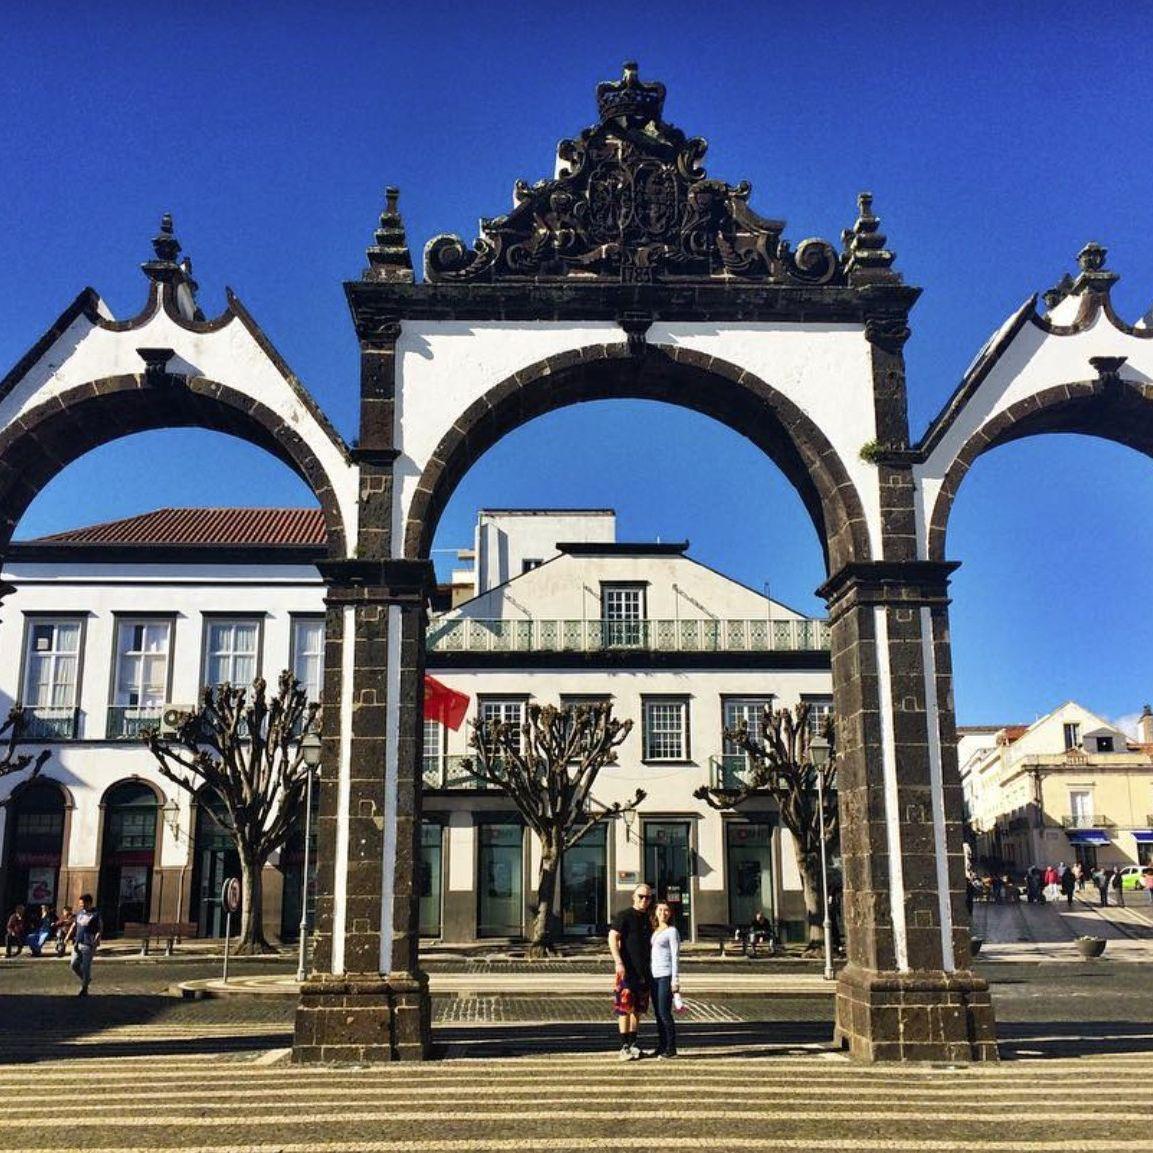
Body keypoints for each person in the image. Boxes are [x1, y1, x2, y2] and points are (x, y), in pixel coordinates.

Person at [608, 884, 654, 1061]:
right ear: (633, 897)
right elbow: (613, 937)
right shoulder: (624, 916)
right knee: (624, 1008)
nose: (644, 900)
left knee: (638, 1009)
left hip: (644, 971)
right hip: (627, 970)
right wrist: (618, 961)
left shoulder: (650, 918)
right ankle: (624, 1045)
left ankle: (634, 1043)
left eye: (648, 897)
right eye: (641, 896)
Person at [649, 900, 681, 1060]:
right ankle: (661, 1045)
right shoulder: (655, 931)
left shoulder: (672, 931)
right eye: (660, 910)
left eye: (666, 910)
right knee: (657, 1013)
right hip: (654, 976)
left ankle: (671, 1047)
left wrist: (675, 980)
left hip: (665, 975)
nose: (663, 913)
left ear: (670, 913)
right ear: (655, 912)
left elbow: (675, 957)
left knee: (664, 1012)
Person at [66, 893, 102, 996]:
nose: (81, 906)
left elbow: (100, 928)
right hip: (77, 942)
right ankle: (86, 979)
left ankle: (84, 988)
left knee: (86, 967)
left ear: (89, 903)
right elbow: (74, 925)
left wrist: (96, 940)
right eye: (80, 904)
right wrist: (68, 936)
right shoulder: (80, 913)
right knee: (73, 964)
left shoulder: (95, 914)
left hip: (88, 944)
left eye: (83, 904)